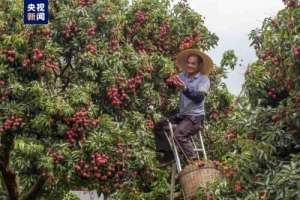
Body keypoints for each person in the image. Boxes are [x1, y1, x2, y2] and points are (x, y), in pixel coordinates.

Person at [153, 49, 213, 167]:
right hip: (183, 116)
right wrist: (168, 80)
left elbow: (199, 98)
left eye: (193, 63)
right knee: (159, 126)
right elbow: (171, 84)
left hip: (195, 118)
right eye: (188, 63)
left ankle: (195, 161)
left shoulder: (204, 79)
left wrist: (184, 88)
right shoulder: (182, 76)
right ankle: (169, 154)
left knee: (178, 135)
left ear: (199, 65)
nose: (190, 65)